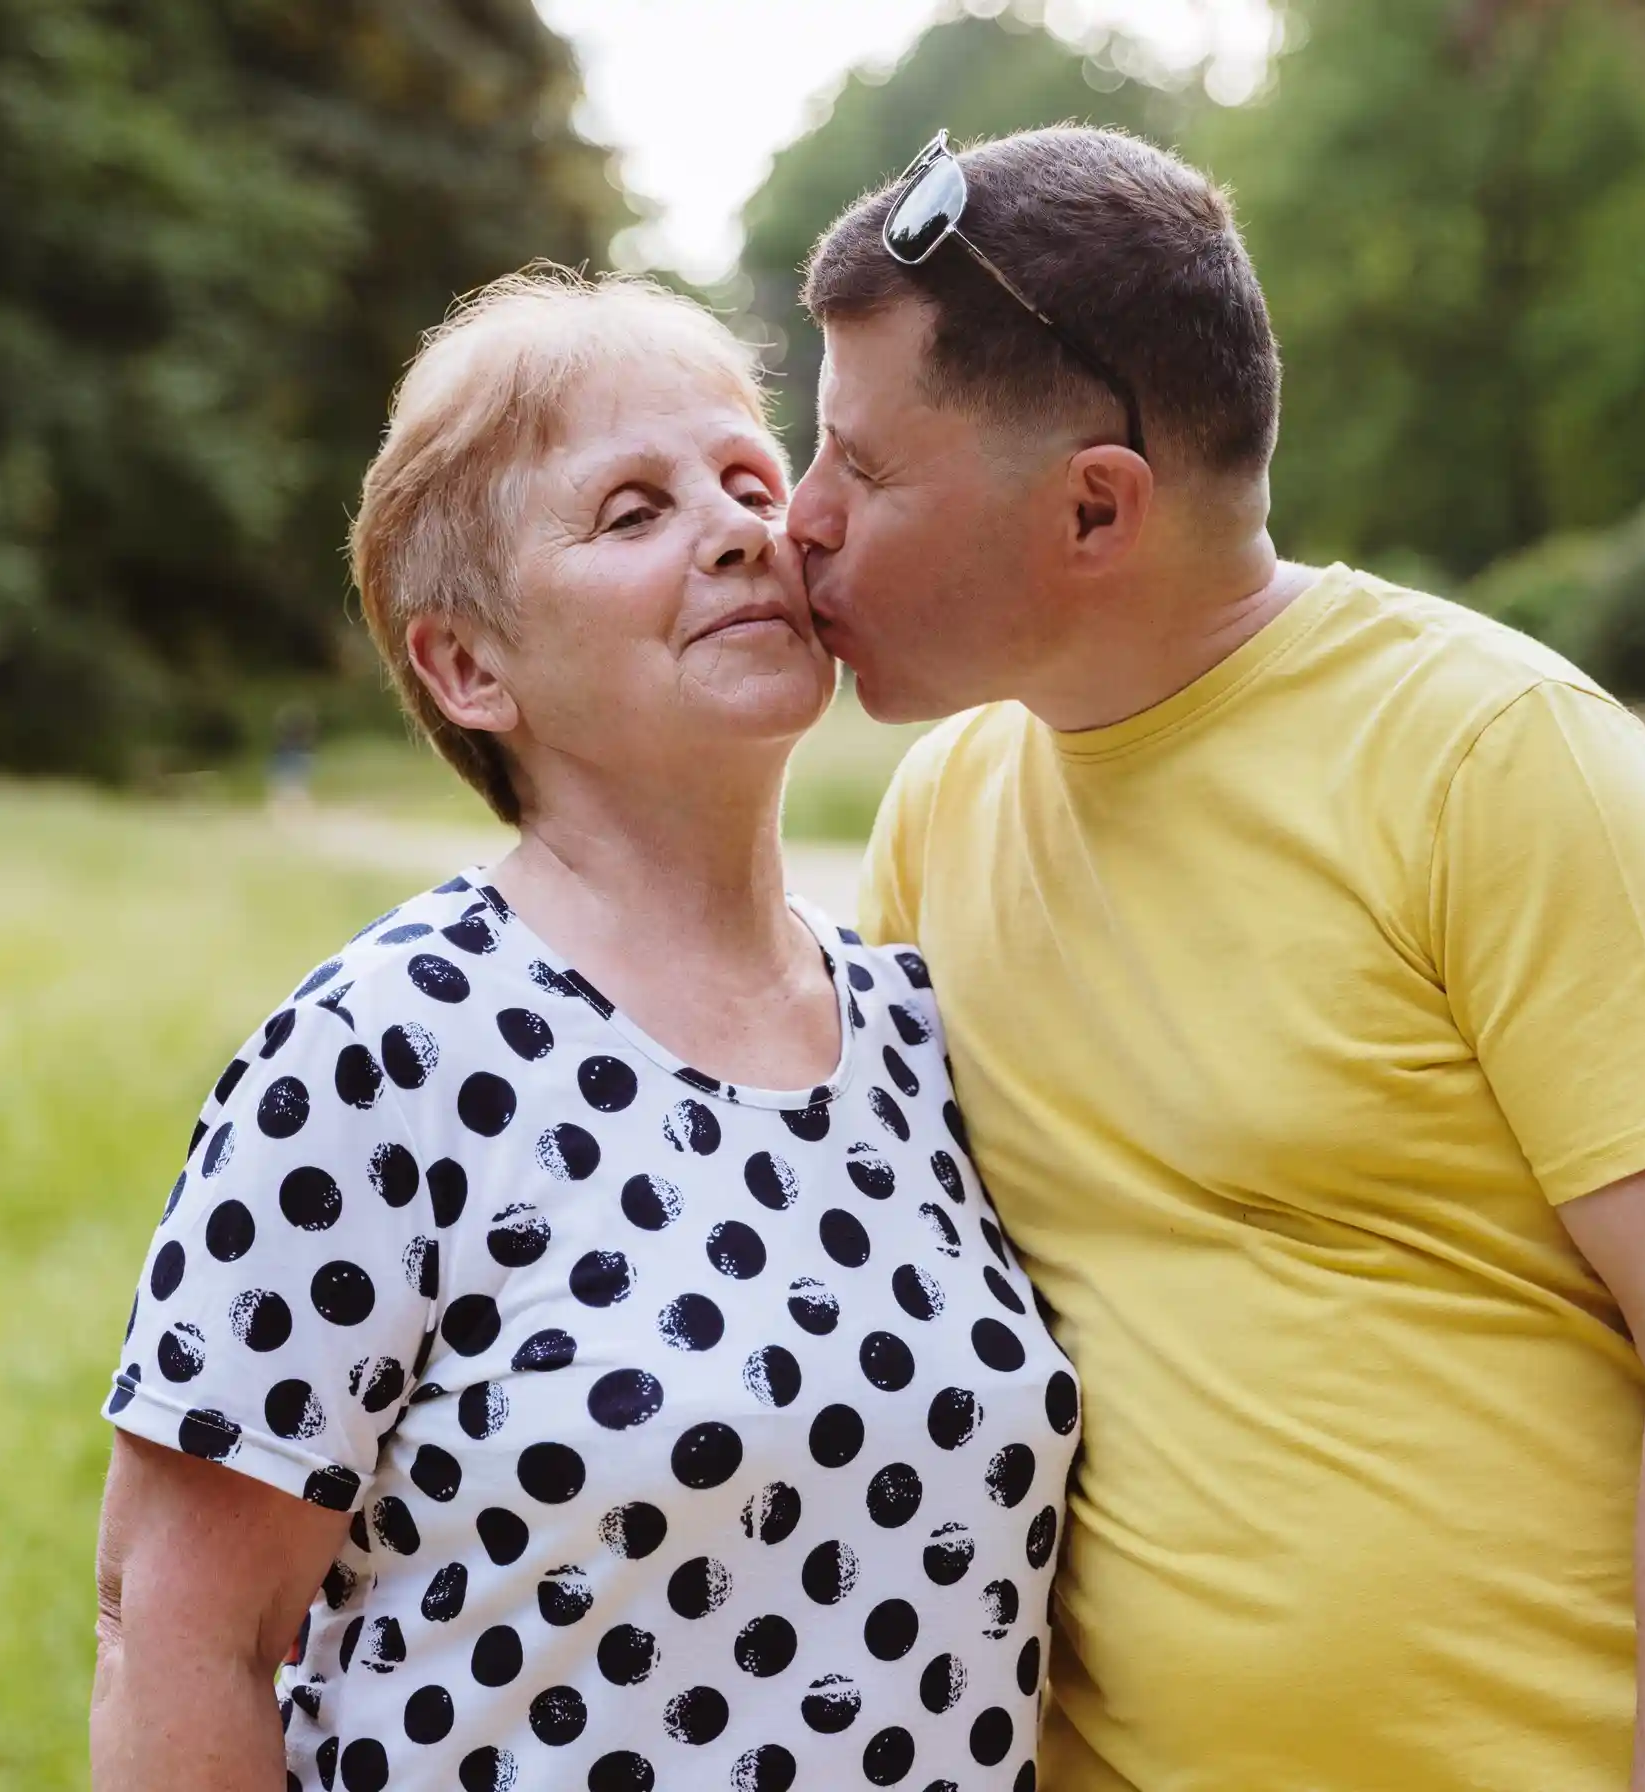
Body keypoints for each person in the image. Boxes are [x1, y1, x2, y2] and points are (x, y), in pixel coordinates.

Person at [786, 127, 1645, 1792]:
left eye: (866, 470)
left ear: (1093, 506)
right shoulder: (942, 817)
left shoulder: (1495, 758)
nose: (803, 519)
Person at [90, 268, 1078, 1792]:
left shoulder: (925, 1028)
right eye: (632, 513)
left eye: (752, 479)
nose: (748, 529)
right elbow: (179, 1638)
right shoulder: (384, 1055)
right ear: (469, 667)